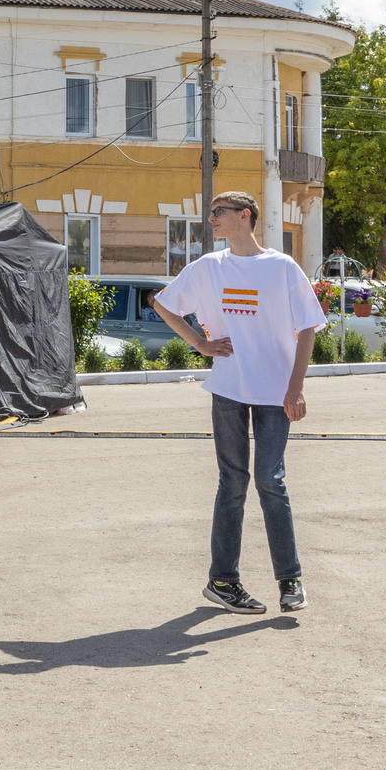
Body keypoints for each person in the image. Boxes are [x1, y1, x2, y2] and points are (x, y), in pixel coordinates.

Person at [153, 188, 325, 617]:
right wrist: (200, 343)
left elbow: (308, 327)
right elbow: (163, 304)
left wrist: (296, 387)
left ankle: (290, 580)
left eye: (219, 212)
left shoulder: (281, 268)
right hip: (228, 390)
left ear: (245, 215)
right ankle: (223, 581)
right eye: (211, 212)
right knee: (232, 484)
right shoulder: (208, 267)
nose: (211, 218)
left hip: (275, 393)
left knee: (270, 480)